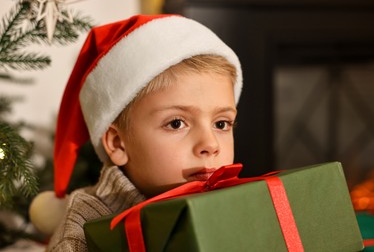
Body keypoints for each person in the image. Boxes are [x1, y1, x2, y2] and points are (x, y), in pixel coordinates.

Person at [32, 14, 243, 251]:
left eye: (222, 124)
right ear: (118, 144)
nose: (211, 144)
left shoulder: (234, 203)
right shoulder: (84, 233)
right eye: (176, 123)